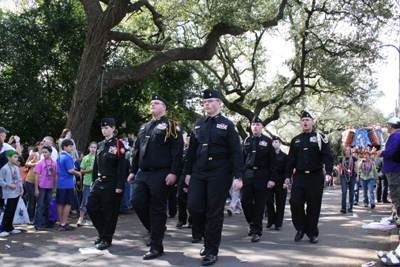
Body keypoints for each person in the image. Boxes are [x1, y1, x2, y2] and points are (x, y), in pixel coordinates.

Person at [185, 89, 243, 266]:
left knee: (214, 211)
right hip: (199, 171)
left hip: (220, 171)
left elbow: (236, 152)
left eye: (210, 101)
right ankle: (207, 238)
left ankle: (211, 250)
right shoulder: (198, 125)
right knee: (194, 206)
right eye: (204, 102)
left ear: (219, 103)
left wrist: (238, 176)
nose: (206, 104)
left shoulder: (228, 125)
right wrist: (188, 173)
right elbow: (191, 152)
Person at [128, 94, 183, 260]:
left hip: (162, 172)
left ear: (164, 107)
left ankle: (156, 246)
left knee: (157, 208)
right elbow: (137, 150)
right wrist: (132, 170)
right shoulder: (144, 127)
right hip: (143, 173)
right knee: (136, 201)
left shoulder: (171, 126)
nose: (152, 105)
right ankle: (155, 230)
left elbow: (177, 152)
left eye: (157, 103)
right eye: (151, 103)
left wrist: (174, 172)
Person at [284, 111, 333, 244]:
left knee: (313, 205)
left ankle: (312, 233)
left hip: (315, 176)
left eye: (307, 120)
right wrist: (287, 176)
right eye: (303, 120)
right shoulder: (296, 140)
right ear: (301, 123)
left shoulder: (320, 138)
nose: (305, 122)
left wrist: (329, 172)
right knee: (295, 202)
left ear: (312, 122)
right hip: (299, 176)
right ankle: (301, 228)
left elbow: (327, 155)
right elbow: (290, 160)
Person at [86, 118, 126, 250]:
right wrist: (93, 181)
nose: (104, 130)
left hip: (112, 181)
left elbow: (122, 166)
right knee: (90, 206)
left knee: (110, 212)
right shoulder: (100, 144)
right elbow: (96, 166)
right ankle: (103, 232)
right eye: (103, 128)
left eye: (107, 127)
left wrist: (120, 185)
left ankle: (106, 238)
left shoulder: (119, 144)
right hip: (99, 180)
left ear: (113, 129)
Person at [241, 116, 277, 243]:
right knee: (245, 201)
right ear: (251, 127)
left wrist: (272, 179)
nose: (255, 127)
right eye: (253, 125)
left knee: (260, 204)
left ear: (262, 127)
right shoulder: (246, 141)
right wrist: (239, 176)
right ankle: (252, 223)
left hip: (262, 174)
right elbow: (241, 159)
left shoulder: (267, 141)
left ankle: (256, 230)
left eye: (257, 124)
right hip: (248, 173)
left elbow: (273, 162)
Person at [377, 117, 400, 225]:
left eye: (388, 125)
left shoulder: (395, 136)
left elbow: (390, 151)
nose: (387, 127)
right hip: (393, 168)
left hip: (393, 169)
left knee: (395, 193)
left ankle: (397, 216)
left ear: (391, 125)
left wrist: (382, 153)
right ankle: (395, 215)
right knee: (394, 193)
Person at [56, 139, 81, 231]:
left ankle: (61, 222)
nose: (71, 148)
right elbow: (70, 170)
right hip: (67, 183)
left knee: (61, 203)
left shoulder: (60, 157)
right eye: (70, 146)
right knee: (68, 203)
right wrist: (78, 173)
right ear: (64, 147)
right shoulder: (67, 157)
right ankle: (63, 223)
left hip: (60, 183)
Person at [33, 145, 58, 229]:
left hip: (50, 187)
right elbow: (36, 176)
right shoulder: (40, 163)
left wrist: (55, 187)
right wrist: (36, 189)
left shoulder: (54, 163)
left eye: (46, 152)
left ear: (50, 153)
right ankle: (38, 223)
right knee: (40, 205)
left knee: (48, 205)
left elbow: (55, 175)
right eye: (43, 152)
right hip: (41, 186)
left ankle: (49, 222)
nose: (44, 154)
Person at [0, 150, 24, 237]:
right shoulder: (4, 168)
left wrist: (21, 188)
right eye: (14, 157)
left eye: (17, 157)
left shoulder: (16, 168)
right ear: (8, 158)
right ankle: (2, 228)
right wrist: (9, 185)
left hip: (16, 192)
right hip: (8, 193)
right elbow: (1, 180)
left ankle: (9, 227)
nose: (16, 158)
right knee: (7, 211)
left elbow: (19, 179)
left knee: (13, 210)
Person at [266, 135, 287, 230]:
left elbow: (287, 170)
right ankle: (271, 219)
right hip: (270, 180)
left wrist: (286, 181)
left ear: (280, 143)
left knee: (280, 202)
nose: (275, 144)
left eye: (277, 142)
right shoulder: (268, 155)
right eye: (273, 142)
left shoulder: (284, 156)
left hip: (280, 180)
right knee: (268, 200)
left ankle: (278, 223)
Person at [77, 142, 97, 226]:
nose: (93, 149)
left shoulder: (98, 157)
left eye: (94, 147)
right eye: (91, 147)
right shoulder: (85, 158)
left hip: (96, 182)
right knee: (85, 199)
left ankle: (92, 218)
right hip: (87, 182)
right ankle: (81, 218)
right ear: (89, 148)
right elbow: (81, 171)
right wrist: (89, 169)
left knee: (95, 200)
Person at [176, 132, 193, 228]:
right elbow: (179, 167)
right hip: (182, 179)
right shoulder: (183, 152)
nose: (189, 140)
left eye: (190, 138)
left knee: (191, 202)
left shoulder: (195, 152)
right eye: (188, 138)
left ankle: (192, 221)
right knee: (180, 199)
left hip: (193, 178)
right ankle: (182, 220)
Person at [337, 146, 358, 213]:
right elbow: (339, 168)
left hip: (352, 176)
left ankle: (350, 207)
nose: (347, 151)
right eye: (346, 150)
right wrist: (338, 178)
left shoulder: (353, 158)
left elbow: (357, 168)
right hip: (344, 176)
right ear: (344, 151)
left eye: (348, 150)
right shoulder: (342, 159)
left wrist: (358, 176)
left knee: (351, 192)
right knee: (344, 192)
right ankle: (343, 208)